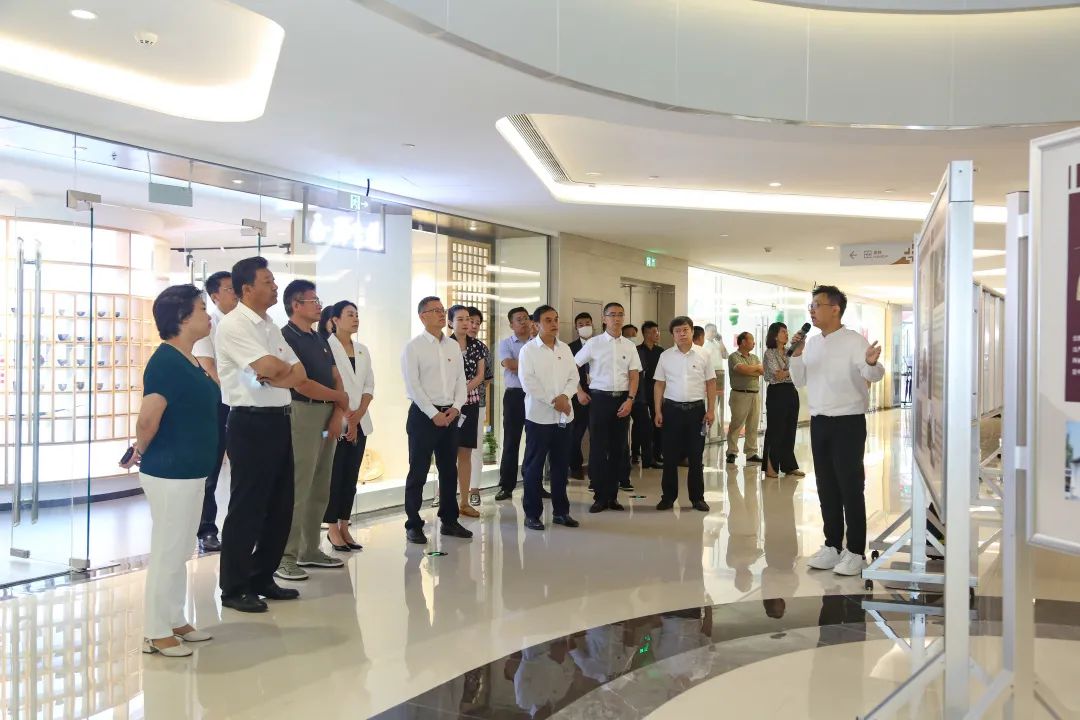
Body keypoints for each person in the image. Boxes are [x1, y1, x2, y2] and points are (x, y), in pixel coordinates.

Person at [121, 284, 218, 656]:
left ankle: (175, 618)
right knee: (167, 550)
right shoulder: (165, 362)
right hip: (170, 471)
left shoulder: (190, 360)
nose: (208, 315)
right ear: (182, 317)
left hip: (191, 470)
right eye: (202, 308)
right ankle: (155, 630)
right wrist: (139, 448)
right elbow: (148, 418)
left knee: (180, 549)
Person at [216, 256, 307, 613]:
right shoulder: (234, 324)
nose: (275, 287)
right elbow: (268, 366)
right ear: (247, 288)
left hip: (279, 419)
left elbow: (299, 373)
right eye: (268, 281)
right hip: (250, 422)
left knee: (280, 505)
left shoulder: (270, 325)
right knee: (247, 507)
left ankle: (262, 576)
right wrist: (277, 372)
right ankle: (234, 587)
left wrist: (277, 375)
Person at [792, 285, 885, 577]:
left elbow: (873, 374)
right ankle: (832, 545)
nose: (812, 310)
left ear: (835, 309)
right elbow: (799, 380)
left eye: (817, 305)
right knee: (825, 486)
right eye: (810, 306)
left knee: (850, 486)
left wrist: (871, 363)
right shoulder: (812, 343)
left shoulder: (855, 341)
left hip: (848, 422)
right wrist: (796, 355)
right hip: (819, 422)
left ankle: (855, 551)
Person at [274, 280, 351, 582]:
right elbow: (300, 383)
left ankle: (310, 549)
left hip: (328, 414)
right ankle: (285, 555)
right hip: (302, 412)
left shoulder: (319, 337)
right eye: (312, 301)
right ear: (296, 305)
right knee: (299, 485)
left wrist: (338, 410)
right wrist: (338, 398)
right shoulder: (285, 337)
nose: (319, 305)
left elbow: (335, 375)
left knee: (320, 484)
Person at [400, 296, 474, 544]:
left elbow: (461, 381)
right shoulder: (413, 347)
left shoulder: (453, 346)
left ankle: (449, 521)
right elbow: (413, 386)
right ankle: (413, 524)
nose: (442, 314)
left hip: (450, 416)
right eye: (435, 311)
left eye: (443, 310)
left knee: (449, 470)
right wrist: (433, 414)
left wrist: (456, 408)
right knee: (418, 472)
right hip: (423, 416)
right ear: (422, 316)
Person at [517, 304, 581, 531]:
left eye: (556, 319)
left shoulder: (565, 348)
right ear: (536, 324)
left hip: (563, 418)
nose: (554, 324)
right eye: (548, 320)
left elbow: (574, 377)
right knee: (534, 468)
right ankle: (532, 514)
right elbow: (528, 383)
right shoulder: (528, 351)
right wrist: (555, 401)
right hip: (539, 418)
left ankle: (561, 512)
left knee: (561, 467)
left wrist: (565, 396)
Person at [574, 302, 642, 513]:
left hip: (622, 399)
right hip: (599, 399)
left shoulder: (629, 346)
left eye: (620, 315)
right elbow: (572, 366)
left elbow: (634, 375)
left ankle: (612, 496)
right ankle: (599, 496)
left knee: (618, 449)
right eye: (612, 315)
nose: (616, 319)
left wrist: (630, 399)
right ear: (604, 319)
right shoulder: (593, 343)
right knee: (598, 448)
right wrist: (579, 391)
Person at [320, 301, 374, 552]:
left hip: (359, 420)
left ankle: (344, 524)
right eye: (350, 315)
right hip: (334, 419)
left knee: (351, 477)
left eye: (357, 314)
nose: (355, 319)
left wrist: (358, 415)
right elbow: (329, 386)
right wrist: (345, 418)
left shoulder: (362, 350)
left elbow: (369, 386)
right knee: (334, 475)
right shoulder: (325, 347)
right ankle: (331, 527)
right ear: (335, 320)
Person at [191, 270, 238, 553]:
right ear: (215, 295)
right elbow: (209, 369)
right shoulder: (208, 326)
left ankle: (241, 528)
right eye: (230, 289)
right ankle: (207, 530)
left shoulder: (242, 324)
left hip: (242, 404)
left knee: (243, 470)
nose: (236, 293)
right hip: (219, 405)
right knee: (211, 472)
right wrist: (235, 394)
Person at [653, 316, 716, 512]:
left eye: (685, 330)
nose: (682, 334)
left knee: (696, 457)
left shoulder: (704, 354)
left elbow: (711, 383)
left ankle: (697, 498)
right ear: (673, 334)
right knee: (670, 457)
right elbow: (659, 384)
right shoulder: (665, 356)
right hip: (671, 411)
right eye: (677, 331)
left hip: (696, 412)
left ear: (692, 331)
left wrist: (711, 410)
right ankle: (668, 497)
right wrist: (657, 410)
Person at [448, 305, 486, 518]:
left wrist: (462, 394)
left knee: (466, 453)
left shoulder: (477, 346)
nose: (466, 323)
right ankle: (446, 500)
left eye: (468, 319)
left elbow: (480, 376)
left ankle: (464, 502)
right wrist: (455, 398)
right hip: (447, 405)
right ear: (450, 323)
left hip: (469, 404)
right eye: (460, 319)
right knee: (447, 454)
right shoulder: (445, 345)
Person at [495, 307, 533, 501]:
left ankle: (533, 484)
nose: (524, 322)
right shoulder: (505, 344)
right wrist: (533, 365)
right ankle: (506, 486)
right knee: (511, 441)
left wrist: (524, 364)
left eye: (526, 318)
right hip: (514, 396)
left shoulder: (538, 342)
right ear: (511, 325)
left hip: (535, 395)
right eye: (519, 319)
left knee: (535, 441)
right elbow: (509, 365)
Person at [761, 322, 804, 479]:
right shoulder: (769, 353)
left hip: (791, 391)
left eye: (787, 331)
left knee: (789, 429)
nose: (786, 334)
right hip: (777, 392)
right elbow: (777, 374)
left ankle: (789, 466)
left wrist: (789, 372)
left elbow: (799, 371)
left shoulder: (790, 351)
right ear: (774, 335)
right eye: (783, 332)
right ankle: (770, 467)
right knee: (775, 429)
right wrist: (790, 371)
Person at [726, 332, 764, 466]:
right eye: (751, 340)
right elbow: (742, 370)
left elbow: (762, 371)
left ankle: (751, 453)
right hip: (740, 394)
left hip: (755, 394)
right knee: (736, 424)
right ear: (743, 342)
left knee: (753, 425)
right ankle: (731, 452)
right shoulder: (734, 357)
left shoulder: (754, 357)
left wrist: (750, 370)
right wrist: (754, 369)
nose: (754, 343)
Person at [466, 306, 492, 507]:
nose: (474, 326)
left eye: (477, 323)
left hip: (477, 402)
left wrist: (472, 389)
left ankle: (474, 489)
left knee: (475, 446)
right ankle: (444, 491)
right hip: (449, 404)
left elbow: (487, 378)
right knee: (448, 448)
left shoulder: (482, 348)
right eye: (470, 321)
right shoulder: (447, 345)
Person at [632, 320, 665, 470]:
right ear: (645, 334)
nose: (656, 334)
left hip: (657, 391)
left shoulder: (661, 352)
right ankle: (639, 454)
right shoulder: (637, 350)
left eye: (657, 331)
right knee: (643, 425)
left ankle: (657, 454)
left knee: (658, 423)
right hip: (641, 392)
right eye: (653, 332)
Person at [567, 312, 594, 481]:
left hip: (598, 394)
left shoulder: (600, 344)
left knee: (597, 434)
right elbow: (569, 372)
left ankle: (596, 468)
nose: (585, 326)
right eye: (581, 324)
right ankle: (576, 467)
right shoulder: (570, 348)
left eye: (588, 323)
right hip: (578, 395)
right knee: (575, 434)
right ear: (576, 328)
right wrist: (578, 392)